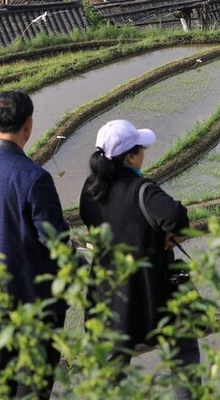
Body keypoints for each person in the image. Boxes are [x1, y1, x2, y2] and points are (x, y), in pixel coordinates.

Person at [79, 120, 199, 400]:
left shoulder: (90, 190)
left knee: (112, 367)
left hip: (109, 291)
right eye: (141, 149)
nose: (144, 154)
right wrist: (163, 238)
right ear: (131, 157)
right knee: (183, 354)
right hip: (151, 289)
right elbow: (177, 218)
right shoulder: (142, 190)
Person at [0, 90, 68, 399]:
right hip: (37, 296)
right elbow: (55, 241)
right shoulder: (35, 177)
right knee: (35, 377)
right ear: (29, 125)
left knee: (5, 370)